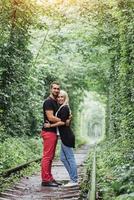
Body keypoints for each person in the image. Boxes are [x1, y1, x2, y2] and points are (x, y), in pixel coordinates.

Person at [44, 90, 78, 187]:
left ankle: (74, 180)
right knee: (63, 158)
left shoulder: (65, 108)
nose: (59, 98)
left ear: (65, 98)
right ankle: (73, 177)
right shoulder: (62, 107)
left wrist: (50, 125)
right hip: (64, 136)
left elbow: (62, 122)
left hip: (67, 136)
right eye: (58, 97)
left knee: (70, 158)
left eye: (62, 97)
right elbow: (65, 121)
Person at [41, 82, 62, 187]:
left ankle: (49, 177)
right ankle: (45, 180)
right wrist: (62, 120)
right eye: (54, 88)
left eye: (58, 89)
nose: (56, 90)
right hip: (48, 132)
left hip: (53, 132)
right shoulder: (48, 102)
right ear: (51, 89)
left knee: (50, 157)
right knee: (47, 156)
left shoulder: (56, 102)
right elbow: (50, 118)